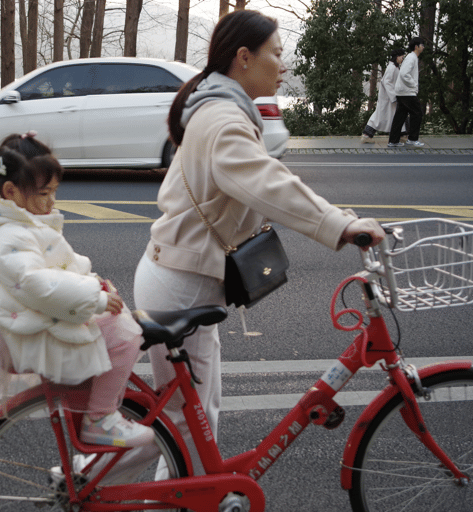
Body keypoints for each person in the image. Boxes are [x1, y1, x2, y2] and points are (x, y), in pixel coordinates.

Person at [132, 10, 385, 476]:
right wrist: (339, 225)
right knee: (186, 424)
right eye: (277, 53)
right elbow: (268, 182)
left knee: (192, 418)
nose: (284, 64)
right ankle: (95, 481)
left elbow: (264, 180)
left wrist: (335, 218)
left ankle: (152, 493)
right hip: (182, 282)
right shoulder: (223, 117)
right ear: (244, 58)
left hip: (181, 275)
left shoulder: (217, 106)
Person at [0, 132, 154, 448]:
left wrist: (88, 284)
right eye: (45, 193)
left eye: (54, 191)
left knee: (117, 323)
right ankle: (101, 418)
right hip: (36, 324)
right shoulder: (10, 233)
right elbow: (35, 283)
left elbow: (50, 268)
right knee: (127, 337)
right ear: (11, 190)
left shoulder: (10, 219)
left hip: (35, 313)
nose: (52, 201)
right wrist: (92, 297)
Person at [361, 49, 406, 143]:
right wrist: (394, 96)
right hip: (387, 97)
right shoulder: (392, 68)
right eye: (402, 57)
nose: (403, 59)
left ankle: (402, 134)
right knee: (380, 116)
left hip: (389, 97)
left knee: (393, 115)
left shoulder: (394, 67)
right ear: (397, 57)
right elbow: (387, 82)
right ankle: (367, 135)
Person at [388, 37, 425, 147]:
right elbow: (404, 74)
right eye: (422, 45)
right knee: (417, 113)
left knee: (400, 116)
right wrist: (414, 84)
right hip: (407, 92)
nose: (423, 47)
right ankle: (412, 139)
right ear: (416, 47)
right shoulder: (411, 58)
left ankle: (393, 141)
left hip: (402, 91)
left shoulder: (410, 57)